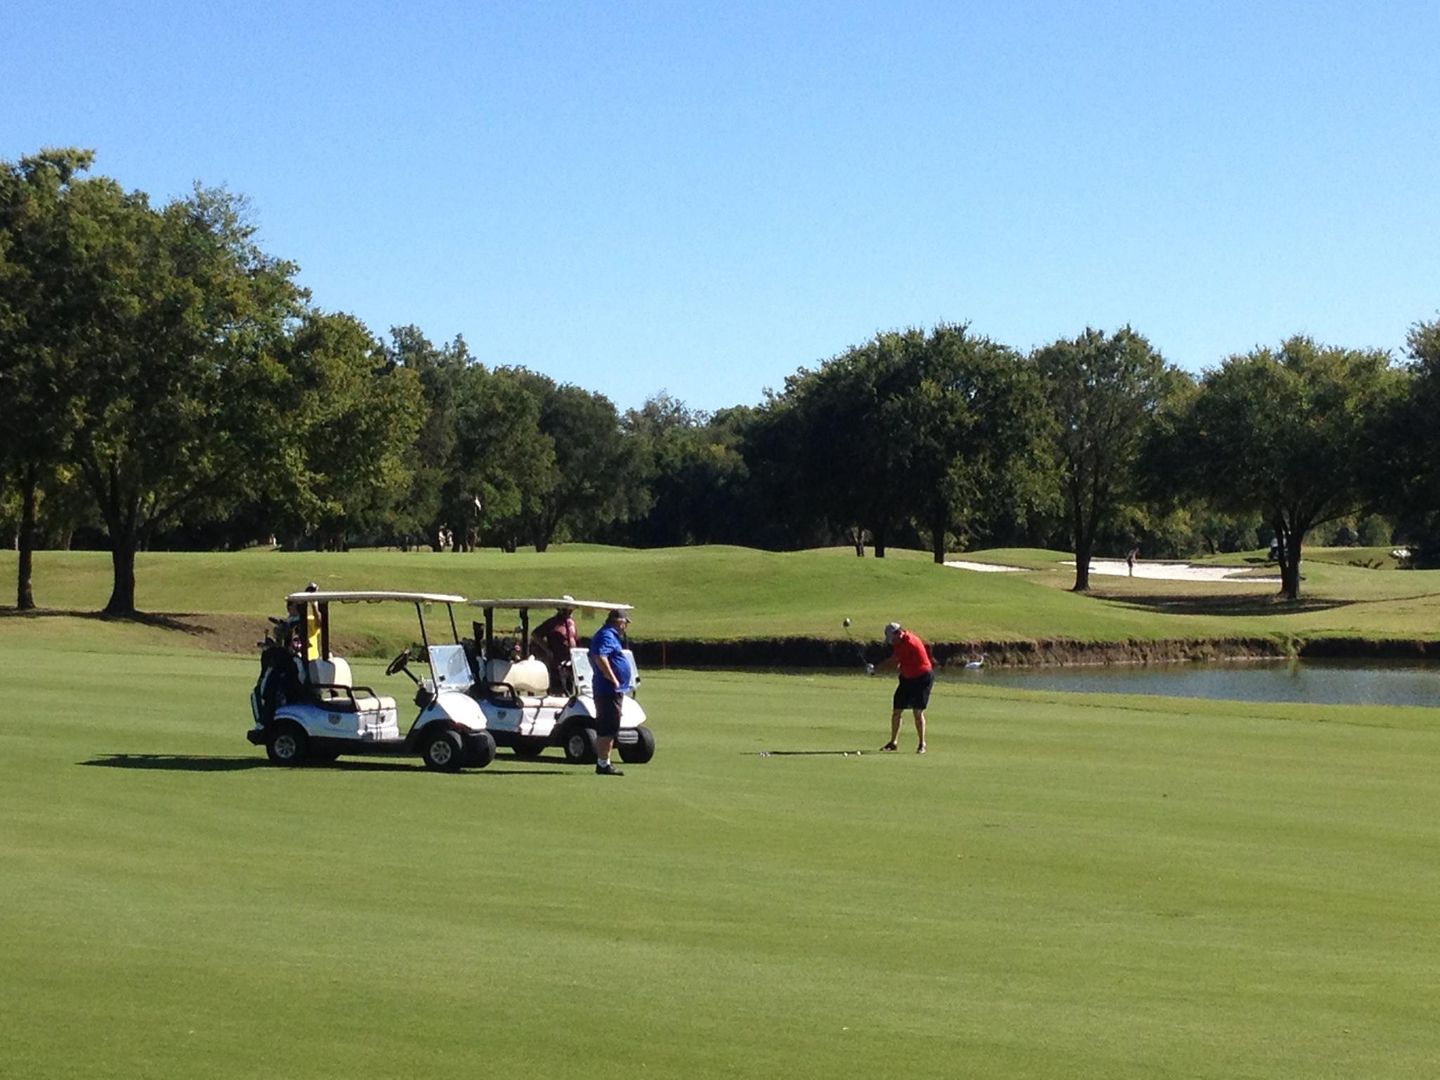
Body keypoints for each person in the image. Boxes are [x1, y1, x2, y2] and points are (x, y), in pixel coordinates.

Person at [871, 621, 933, 754]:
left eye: (892, 639)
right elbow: (899, 664)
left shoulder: (909, 642)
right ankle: (893, 742)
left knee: (917, 712)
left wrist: (875, 669)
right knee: (897, 710)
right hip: (907, 678)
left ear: (898, 633)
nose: (891, 642)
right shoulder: (899, 642)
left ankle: (922, 744)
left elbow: (893, 662)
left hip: (922, 678)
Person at [587, 608, 633, 776]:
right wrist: (613, 678)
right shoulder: (606, 635)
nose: (625, 627)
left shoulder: (611, 636)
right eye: (625, 623)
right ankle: (603, 763)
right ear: (619, 621)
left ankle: (604, 762)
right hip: (607, 689)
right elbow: (600, 657)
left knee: (611, 725)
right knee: (608, 726)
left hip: (612, 689)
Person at [531, 596, 578, 693]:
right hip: (557, 661)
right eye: (567, 610)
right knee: (558, 689)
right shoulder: (552, 622)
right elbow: (536, 634)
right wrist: (547, 650)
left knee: (570, 690)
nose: (569, 612)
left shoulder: (571, 623)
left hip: (571, 662)